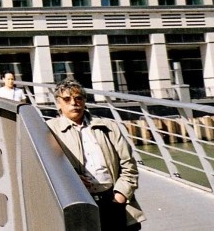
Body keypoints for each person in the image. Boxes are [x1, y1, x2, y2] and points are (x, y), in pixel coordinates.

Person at [46, 79, 145, 231]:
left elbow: (128, 164)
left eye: (79, 98)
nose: (74, 103)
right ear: (58, 103)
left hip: (114, 199)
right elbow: (48, 167)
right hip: (81, 202)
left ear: (85, 101)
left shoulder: (107, 126)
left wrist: (121, 195)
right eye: (67, 99)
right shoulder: (50, 130)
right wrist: (71, 178)